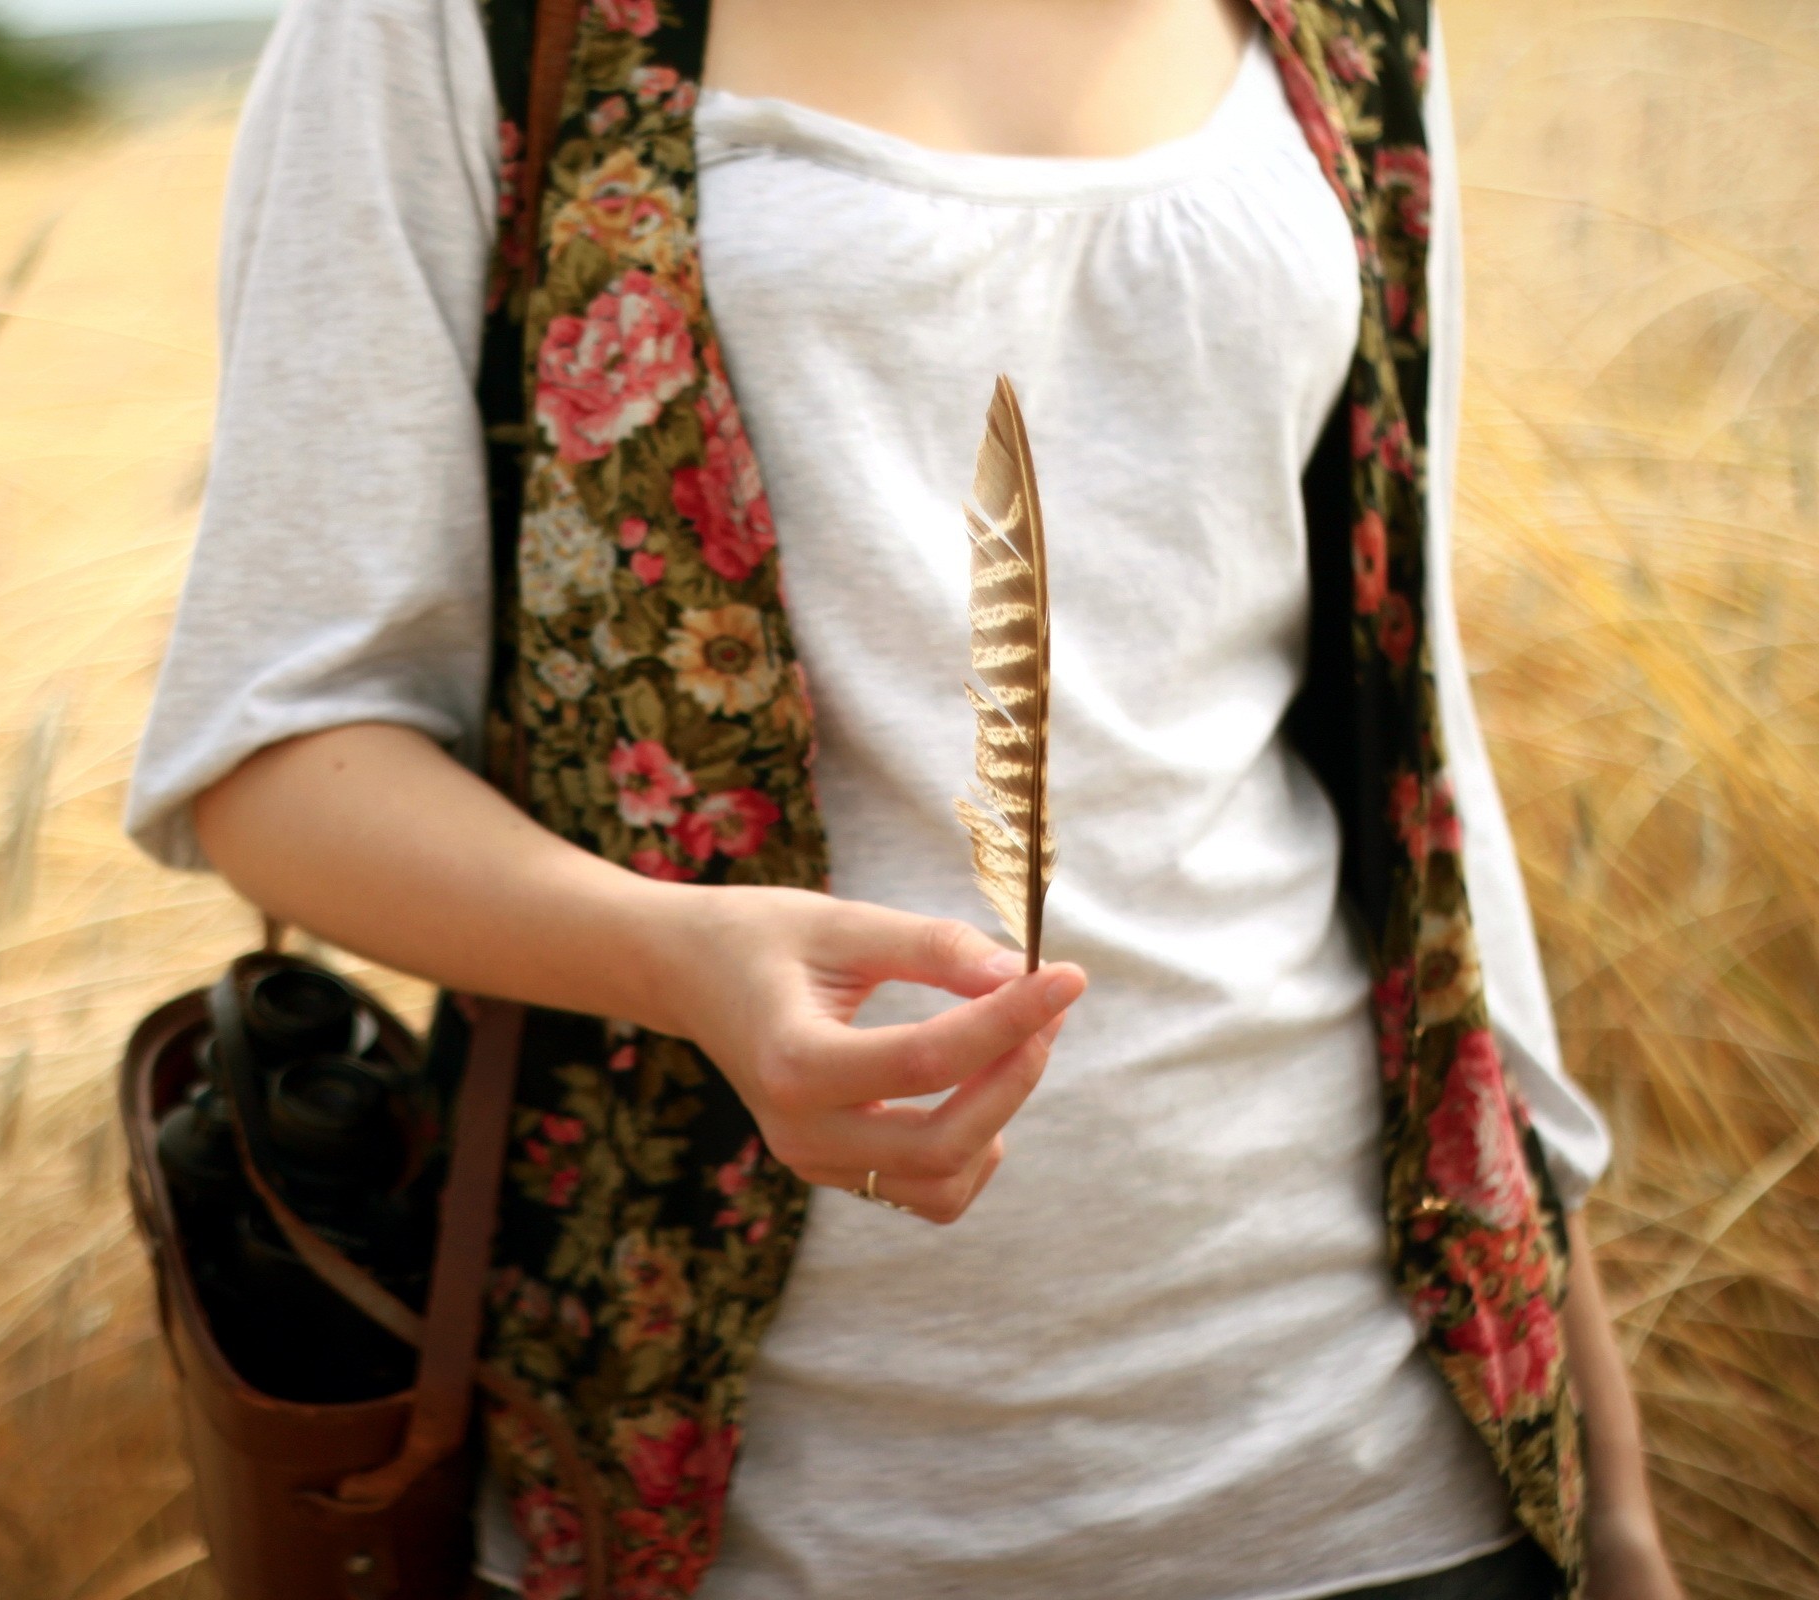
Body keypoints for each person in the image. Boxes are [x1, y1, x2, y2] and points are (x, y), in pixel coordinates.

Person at [126, 0, 1685, 1595]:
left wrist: (1610, 1495)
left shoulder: (1350, 22)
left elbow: (1416, 758)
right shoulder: (452, 27)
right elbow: (281, 749)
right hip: (761, 1506)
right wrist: (676, 962)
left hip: (1380, 1458)